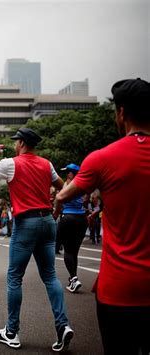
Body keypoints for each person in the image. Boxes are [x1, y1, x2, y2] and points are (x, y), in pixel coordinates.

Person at [55, 78, 150, 355]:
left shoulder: (101, 158)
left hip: (119, 290)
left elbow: (62, 195)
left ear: (121, 113)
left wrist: (57, 211)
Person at [0, 129, 73, 351]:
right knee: (50, 276)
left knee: (15, 277)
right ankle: (63, 325)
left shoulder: (10, 164)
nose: (13, 146)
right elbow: (63, 190)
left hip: (25, 223)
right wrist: (56, 211)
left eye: (15, 142)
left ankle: (12, 332)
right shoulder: (47, 164)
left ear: (21, 142)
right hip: (47, 221)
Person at [53, 164, 88, 293]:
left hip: (68, 218)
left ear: (71, 173)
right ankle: (73, 278)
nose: (66, 174)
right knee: (74, 251)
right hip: (82, 219)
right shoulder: (83, 185)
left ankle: (73, 278)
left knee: (68, 250)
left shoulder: (67, 185)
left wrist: (56, 213)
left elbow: (59, 199)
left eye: (67, 172)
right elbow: (85, 199)